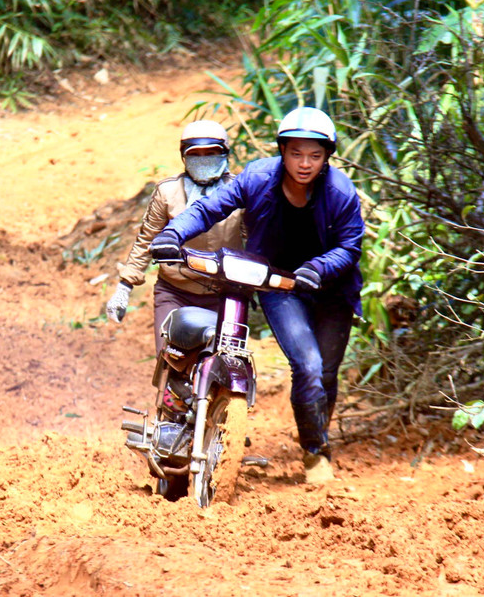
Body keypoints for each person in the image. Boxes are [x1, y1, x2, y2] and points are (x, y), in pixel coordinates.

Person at [150, 107, 364, 484]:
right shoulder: (258, 178)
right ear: (282, 151)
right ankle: (315, 454)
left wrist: (319, 267)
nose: (304, 163)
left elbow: (350, 248)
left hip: (331, 291)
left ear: (327, 157)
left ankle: (315, 442)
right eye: (296, 153)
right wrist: (173, 234)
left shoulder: (341, 193)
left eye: (315, 156)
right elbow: (209, 208)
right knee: (309, 365)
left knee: (326, 376)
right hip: (279, 286)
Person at [106, 119, 244, 416]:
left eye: (212, 153)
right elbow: (146, 240)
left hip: (225, 295)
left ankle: (222, 427)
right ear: (184, 157)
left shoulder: (242, 193)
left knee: (227, 367)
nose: (204, 160)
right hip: (176, 292)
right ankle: (166, 427)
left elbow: (259, 241)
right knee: (173, 365)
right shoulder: (168, 193)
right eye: (196, 154)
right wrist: (124, 287)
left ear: (225, 155)